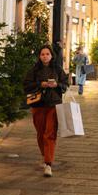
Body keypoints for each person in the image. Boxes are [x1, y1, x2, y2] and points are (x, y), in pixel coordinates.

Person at [23, 43, 69, 177]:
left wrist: (57, 85)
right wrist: (40, 84)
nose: (45, 56)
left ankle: (48, 163)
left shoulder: (58, 69)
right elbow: (26, 85)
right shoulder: (34, 70)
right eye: (42, 54)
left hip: (53, 104)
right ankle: (45, 155)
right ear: (39, 56)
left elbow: (65, 84)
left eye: (47, 54)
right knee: (40, 133)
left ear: (51, 56)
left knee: (50, 133)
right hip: (38, 104)